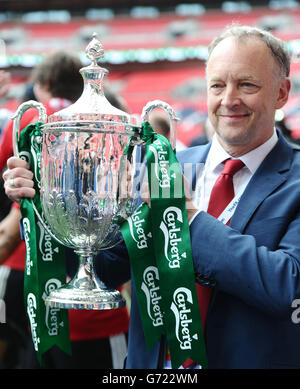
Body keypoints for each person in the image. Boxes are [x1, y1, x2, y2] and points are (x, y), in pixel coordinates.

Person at [4, 24, 300, 369]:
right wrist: (45, 206)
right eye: (217, 85)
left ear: (281, 93)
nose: (228, 99)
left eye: (247, 84)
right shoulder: (164, 165)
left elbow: (288, 287)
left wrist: (184, 217)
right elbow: (105, 267)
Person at [0, 52, 129, 369]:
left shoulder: (30, 121)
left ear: (43, 84)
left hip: (30, 272)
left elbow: (14, 204)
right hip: (101, 309)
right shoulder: (117, 116)